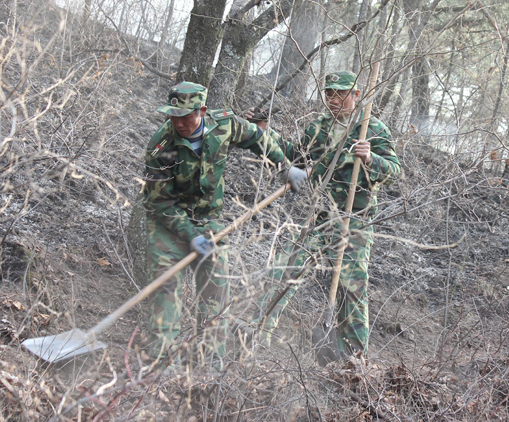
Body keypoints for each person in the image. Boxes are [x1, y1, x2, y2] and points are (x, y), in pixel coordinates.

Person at [141, 81, 307, 368]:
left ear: (202, 111)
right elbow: (160, 203)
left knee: (217, 292)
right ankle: (159, 368)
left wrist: (283, 167)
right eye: (174, 116)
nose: (179, 123)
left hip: (210, 220)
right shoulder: (161, 147)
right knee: (166, 292)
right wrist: (191, 236)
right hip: (168, 225)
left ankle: (208, 368)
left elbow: (258, 137)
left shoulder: (224, 125)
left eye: (186, 116)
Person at [247, 70, 402, 359]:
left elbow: (394, 171)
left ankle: (352, 359)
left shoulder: (373, 129)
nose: (333, 99)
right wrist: (263, 132)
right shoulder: (318, 128)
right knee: (285, 271)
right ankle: (254, 337)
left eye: (340, 93)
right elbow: (296, 156)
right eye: (328, 93)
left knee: (351, 291)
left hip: (354, 221)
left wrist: (371, 158)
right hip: (318, 217)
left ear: (356, 95)